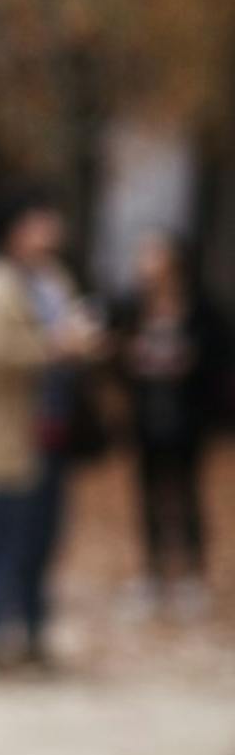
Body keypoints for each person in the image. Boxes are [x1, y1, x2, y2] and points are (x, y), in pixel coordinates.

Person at [0, 187, 101, 673]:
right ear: (15, 229)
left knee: (42, 539)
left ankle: (34, 635)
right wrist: (57, 347)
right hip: (8, 433)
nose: (48, 232)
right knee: (4, 540)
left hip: (54, 432)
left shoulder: (53, 280)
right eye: (38, 222)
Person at [109, 229, 230, 616]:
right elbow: (112, 355)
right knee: (148, 493)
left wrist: (191, 363)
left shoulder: (200, 308)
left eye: (154, 254)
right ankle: (152, 572)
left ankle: (192, 573)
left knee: (188, 491)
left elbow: (219, 357)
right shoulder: (132, 307)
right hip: (145, 415)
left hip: (188, 416)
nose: (148, 263)